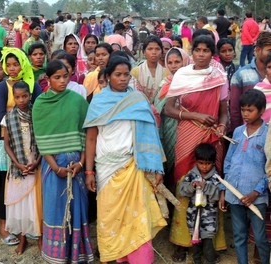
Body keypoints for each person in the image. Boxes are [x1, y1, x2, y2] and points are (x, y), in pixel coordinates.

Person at [84, 55, 166, 264]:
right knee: (111, 216)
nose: (122, 78)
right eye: (117, 75)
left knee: (137, 217)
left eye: (126, 74)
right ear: (108, 76)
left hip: (133, 166)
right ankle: (120, 258)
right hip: (105, 168)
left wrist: (157, 168)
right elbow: (91, 138)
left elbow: (151, 136)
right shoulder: (99, 101)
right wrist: (89, 171)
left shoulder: (137, 100)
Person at [166, 35, 228, 261]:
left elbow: (223, 109)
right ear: (191, 52)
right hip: (188, 132)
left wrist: (222, 125)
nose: (201, 54)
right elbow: (169, 109)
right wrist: (195, 116)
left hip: (212, 135)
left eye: (206, 50)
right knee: (185, 184)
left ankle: (211, 242)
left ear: (213, 54)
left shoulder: (219, 76)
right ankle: (182, 242)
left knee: (211, 184)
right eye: (197, 50)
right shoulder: (182, 74)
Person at [32, 60, 94, 263]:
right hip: (53, 166)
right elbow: (41, 138)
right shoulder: (40, 104)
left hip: (76, 165)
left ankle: (76, 255)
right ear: (47, 79)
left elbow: (86, 134)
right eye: (56, 77)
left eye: (65, 76)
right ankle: (56, 256)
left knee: (77, 208)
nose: (61, 81)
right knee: (55, 209)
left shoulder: (77, 101)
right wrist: (54, 166)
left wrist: (82, 163)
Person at [0, 47, 42, 245]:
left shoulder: (34, 84)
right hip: (11, 142)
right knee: (10, 188)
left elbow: (39, 112)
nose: (12, 68)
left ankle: (34, 229)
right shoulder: (2, 87)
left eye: (16, 64)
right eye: (9, 65)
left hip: (33, 146)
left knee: (34, 192)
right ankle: (7, 227)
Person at [222, 89, 270, 264]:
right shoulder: (237, 131)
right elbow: (228, 162)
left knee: (259, 237)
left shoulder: (268, 134)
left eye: (250, 110)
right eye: (243, 110)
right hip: (235, 194)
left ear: (262, 110)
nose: (245, 114)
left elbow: (269, 169)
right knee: (239, 235)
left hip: (256, 197)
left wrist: (256, 192)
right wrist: (224, 190)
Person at [3, 81, 42, 255]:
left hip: (36, 164)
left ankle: (40, 237)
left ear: (30, 95)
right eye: (17, 97)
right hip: (17, 166)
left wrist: (37, 160)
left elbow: (43, 140)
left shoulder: (38, 113)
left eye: (24, 96)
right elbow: (7, 145)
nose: (21, 100)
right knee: (21, 204)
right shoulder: (9, 117)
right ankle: (23, 238)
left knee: (36, 203)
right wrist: (18, 164)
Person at [179, 143, 221, 264]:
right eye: (201, 163)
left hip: (209, 219)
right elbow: (182, 191)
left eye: (208, 163)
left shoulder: (216, 177)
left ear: (213, 163)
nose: (204, 167)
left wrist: (206, 187)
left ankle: (210, 261)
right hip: (192, 217)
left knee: (208, 244)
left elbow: (218, 195)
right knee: (195, 243)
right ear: (196, 162)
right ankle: (196, 260)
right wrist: (192, 186)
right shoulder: (191, 175)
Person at [153, 48, 190, 184]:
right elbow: (156, 106)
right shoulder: (165, 83)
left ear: (185, 61)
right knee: (168, 163)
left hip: (186, 128)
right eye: (170, 62)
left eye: (177, 62)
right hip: (167, 128)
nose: (174, 66)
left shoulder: (192, 81)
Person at [230, 32, 271, 132]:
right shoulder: (241, 75)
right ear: (258, 50)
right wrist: (238, 134)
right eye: (269, 50)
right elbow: (235, 109)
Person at [131, 36, 167, 103]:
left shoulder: (166, 73)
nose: (154, 52)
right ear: (144, 52)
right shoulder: (135, 72)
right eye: (150, 49)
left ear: (161, 52)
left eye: (157, 49)